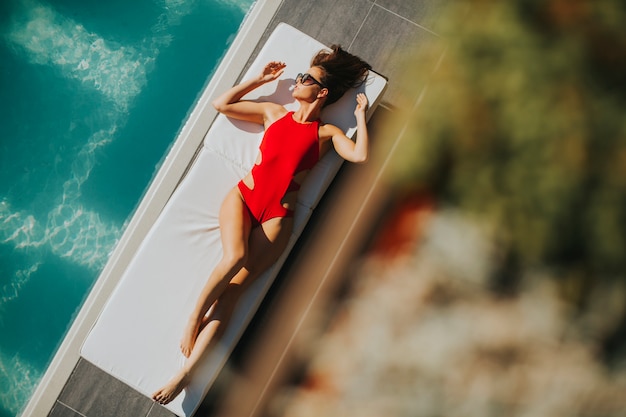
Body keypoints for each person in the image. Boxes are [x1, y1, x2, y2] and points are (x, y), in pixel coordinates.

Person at [152, 45, 372, 405]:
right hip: (244, 198)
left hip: (277, 218)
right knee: (234, 255)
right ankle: (194, 317)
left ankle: (185, 373)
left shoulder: (327, 133)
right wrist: (259, 79)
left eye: (306, 78)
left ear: (322, 92)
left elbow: (360, 155)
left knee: (233, 294)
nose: (297, 81)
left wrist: (361, 116)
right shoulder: (273, 113)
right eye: (300, 75)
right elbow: (221, 104)